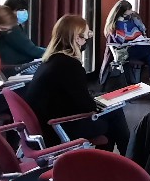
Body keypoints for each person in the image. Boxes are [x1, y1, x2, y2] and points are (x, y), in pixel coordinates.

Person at [24, 14, 130, 153]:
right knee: (115, 113)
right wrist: (99, 103)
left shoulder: (49, 61)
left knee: (111, 114)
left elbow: (68, 95)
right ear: (77, 38)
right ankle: (129, 157)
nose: (87, 40)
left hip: (45, 125)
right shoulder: (70, 65)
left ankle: (110, 159)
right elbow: (86, 107)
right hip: (59, 127)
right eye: (86, 36)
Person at [103, 0, 150, 82]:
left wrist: (138, 22)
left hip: (140, 46)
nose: (130, 13)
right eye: (127, 12)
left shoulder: (132, 19)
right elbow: (120, 40)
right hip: (128, 50)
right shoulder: (117, 24)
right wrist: (120, 23)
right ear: (121, 13)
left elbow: (142, 30)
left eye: (130, 11)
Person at [0, 0, 44, 69]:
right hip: (13, 67)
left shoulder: (17, 26)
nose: (24, 12)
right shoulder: (11, 28)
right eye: (20, 10)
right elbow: (30, 49)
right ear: (9, 12)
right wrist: (52, 53)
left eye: (25, 9)